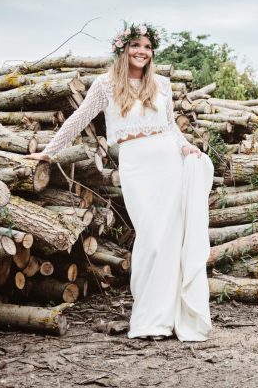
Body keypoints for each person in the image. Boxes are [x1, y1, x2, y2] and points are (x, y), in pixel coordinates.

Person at [28, 22, 212, 342]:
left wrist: (185, 146)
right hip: (136, 164)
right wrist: (48, 152)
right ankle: (149, 317)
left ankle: (165, 318)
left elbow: (170, 127)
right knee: (151, 239)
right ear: (123, 50)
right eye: (136, 46)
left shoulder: (162, 85)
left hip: (168, 160)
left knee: (168, 240)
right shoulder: (105, 85)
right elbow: (79, 119)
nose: (142, 51)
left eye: (147, 47)